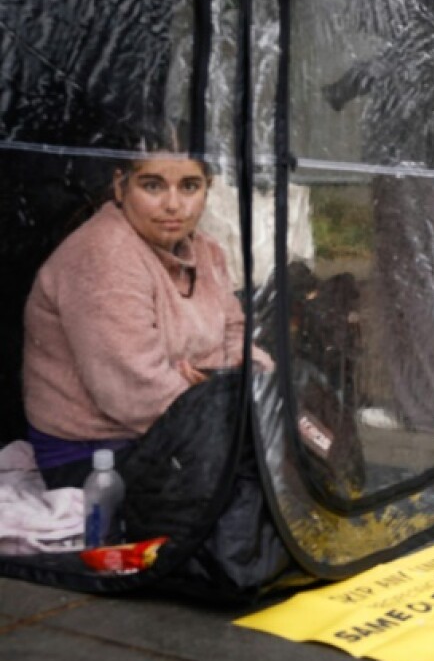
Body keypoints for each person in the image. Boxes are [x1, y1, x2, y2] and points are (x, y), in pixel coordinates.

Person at [23, 154, 269, 488]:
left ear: (207, 190)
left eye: (189, 186)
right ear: (120, 188)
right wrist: (216, 391)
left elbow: (236, 337)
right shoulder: (104, 254)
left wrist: (212, 381)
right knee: (256, 482)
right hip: (95, 456)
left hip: (180, 426)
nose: (173, 204)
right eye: (152, 185)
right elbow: (133, 392)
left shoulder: (207, 251)